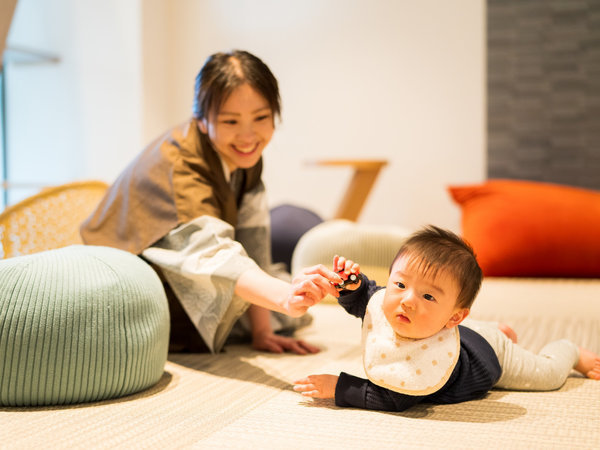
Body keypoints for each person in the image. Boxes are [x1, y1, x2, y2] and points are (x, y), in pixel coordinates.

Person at [80, 50, 342, 354]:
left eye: (261, 117)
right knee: (278, 296)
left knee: (282, 300)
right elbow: (211, 253)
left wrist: (263, 330)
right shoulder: (181, 165)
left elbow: (252, 236)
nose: (248, 136)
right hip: (123, 285)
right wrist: (284, 297)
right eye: (231, 121)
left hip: (194, 264)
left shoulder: (243, 155)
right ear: (202, 121)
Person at [293, 225, 600, 412]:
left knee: (546, 375)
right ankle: (499, 330)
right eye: (399, 284)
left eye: (428, 296)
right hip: (463, 330)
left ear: (455, 315)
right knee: (399, 301)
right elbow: (366, 298)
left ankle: (570, 351)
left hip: (490, 353)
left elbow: (394, 399)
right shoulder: (395, 304)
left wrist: (341, 389)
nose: (408, 301)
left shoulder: (431, 344)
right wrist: (352, 284)